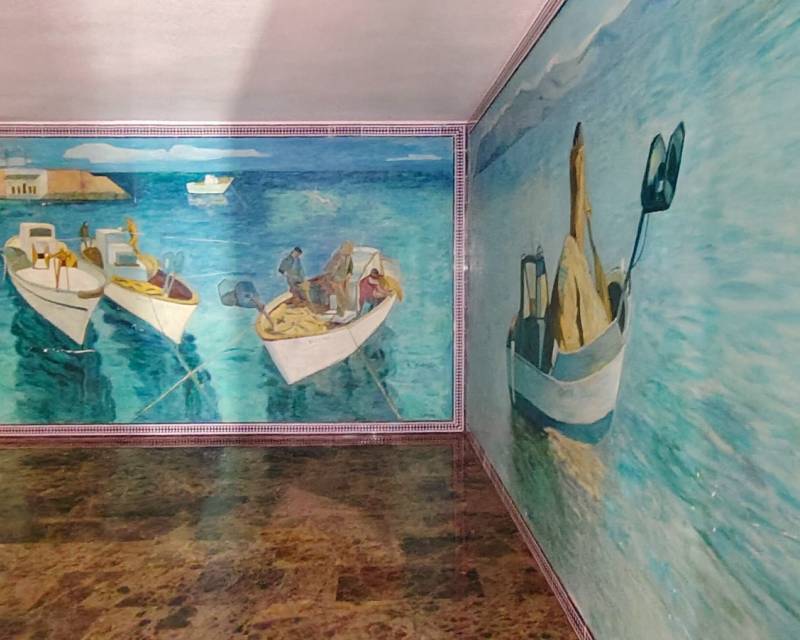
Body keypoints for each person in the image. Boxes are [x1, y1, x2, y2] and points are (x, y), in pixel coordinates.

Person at [324, 241, 354, 314]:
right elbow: (330, 268)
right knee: (340, 295)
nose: (351, 251)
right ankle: (341, 311)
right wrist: (331, 279)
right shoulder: (337, 256)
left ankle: (343, 309)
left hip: (344, 279)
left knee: (345, 295)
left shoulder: (349, 257)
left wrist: (349, 274)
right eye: (349, 249)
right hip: (336, 279)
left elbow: (350, 267)